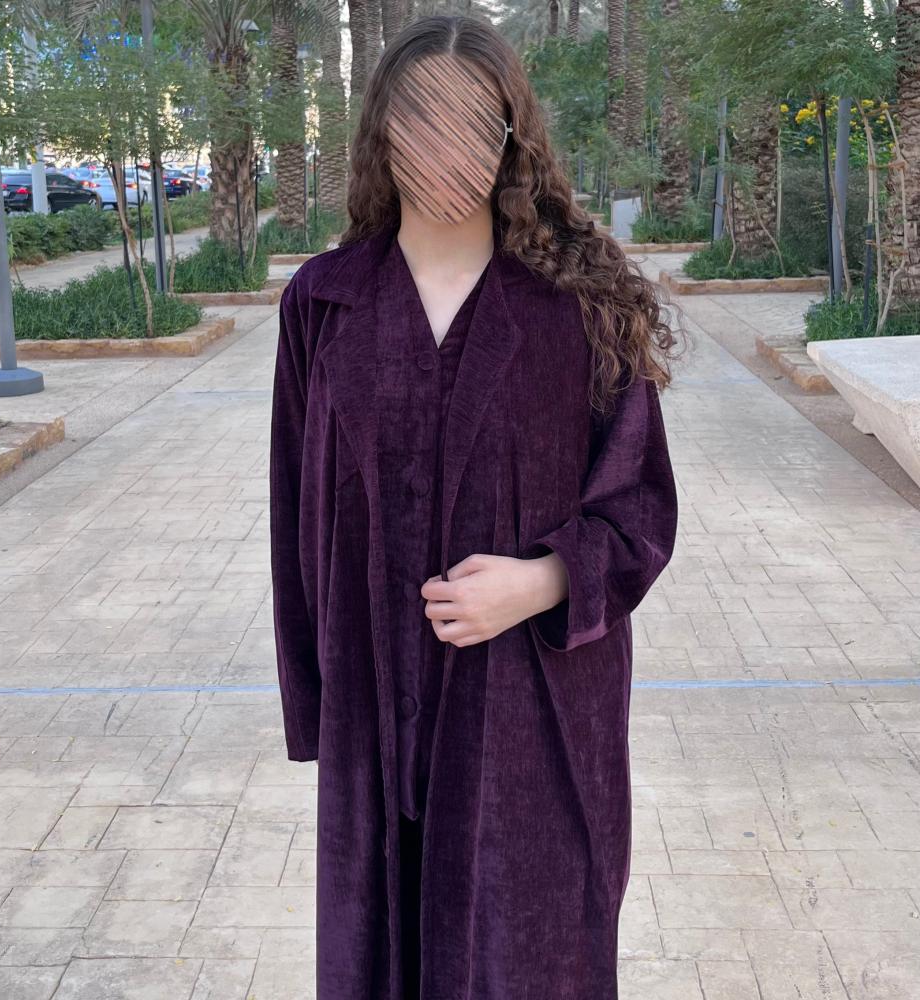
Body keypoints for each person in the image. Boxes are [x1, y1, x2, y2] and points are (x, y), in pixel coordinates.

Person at [269, 13, 684, 1000]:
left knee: (527, 960)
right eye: (419, 118)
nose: (443, 146)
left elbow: (641, 507)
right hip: (376, 720)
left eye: (470, 120)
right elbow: (295, 514)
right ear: (382, 133)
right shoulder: (323, 304)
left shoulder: (579, 304)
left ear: (509, 136)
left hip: (531, 720)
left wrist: (542, 581)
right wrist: (318, 704)